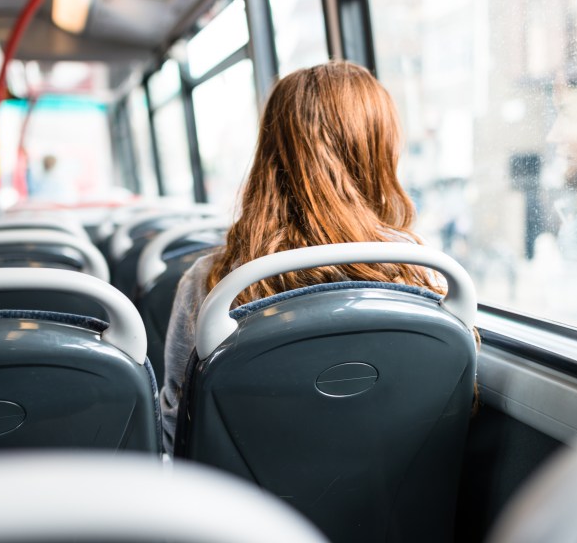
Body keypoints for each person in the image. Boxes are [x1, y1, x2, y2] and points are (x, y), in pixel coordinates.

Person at [159, 60, 479, 454]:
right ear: (377, 151)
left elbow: (178, 429)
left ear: (269, 156)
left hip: (242, 513)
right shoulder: (418, 272)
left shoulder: (212, 286)